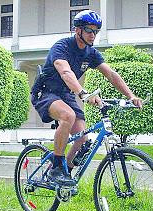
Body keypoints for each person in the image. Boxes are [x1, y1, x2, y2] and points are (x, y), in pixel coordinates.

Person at [31, 10, 142, 186]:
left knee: (82, 138)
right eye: (89, 30)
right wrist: (83, 93)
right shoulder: (62, 47)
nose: (93, 35)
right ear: (78, 31)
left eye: (96, 31)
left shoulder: (91, 53)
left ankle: (64, 174)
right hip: (46, 92)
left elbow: (111, 75)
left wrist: (131, 96)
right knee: (67, 116)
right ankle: (55, 170)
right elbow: (65, 72)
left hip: (65, 95)